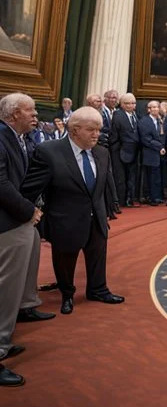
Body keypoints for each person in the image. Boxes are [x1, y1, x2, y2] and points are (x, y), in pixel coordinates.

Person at [20, 107, 124, 315]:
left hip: (97, 217)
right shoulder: (49, 151)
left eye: (99, 129)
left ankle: (98, 289)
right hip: (65, 219)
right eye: (91, 130)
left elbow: (103, 186)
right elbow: (30, 188)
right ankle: (67, 294)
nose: (97, 134)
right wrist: (26, 214)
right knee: (65, 259)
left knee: (97, 255)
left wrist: (108, 211)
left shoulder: (102, 152)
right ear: (75, 130)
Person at [0, 93, 54, 388]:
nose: (36, 115)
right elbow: (1, 184)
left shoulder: (18, 137)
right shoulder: (1, 137)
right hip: (6, 224)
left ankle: (22, 311)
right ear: (14, 113)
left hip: (16, 220)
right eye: (31, 111)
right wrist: (28, 210)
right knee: (4, 289)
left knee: (30, 246)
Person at [109, 93, 140, 208]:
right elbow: (116, 135)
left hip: (134, 151)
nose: (131, 106)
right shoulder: (118, 115)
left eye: (133, 103)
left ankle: (130, 199)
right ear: (122, 104)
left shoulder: (135, 115)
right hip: (120, 151)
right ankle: (120, 201)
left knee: (131, 177)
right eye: (128, 103)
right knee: (120, 178)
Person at [138, 100, 166, 206]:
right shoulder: (144, 121)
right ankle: (151, 197)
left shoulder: (160, 120)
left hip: (160, 153)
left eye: (157, 107)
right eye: (153, 107)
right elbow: (146, 139)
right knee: (151, 177)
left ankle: (157, 196)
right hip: (150, 152)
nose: (155, 109)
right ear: (148, 109)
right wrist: (159, 147)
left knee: (158, 176)